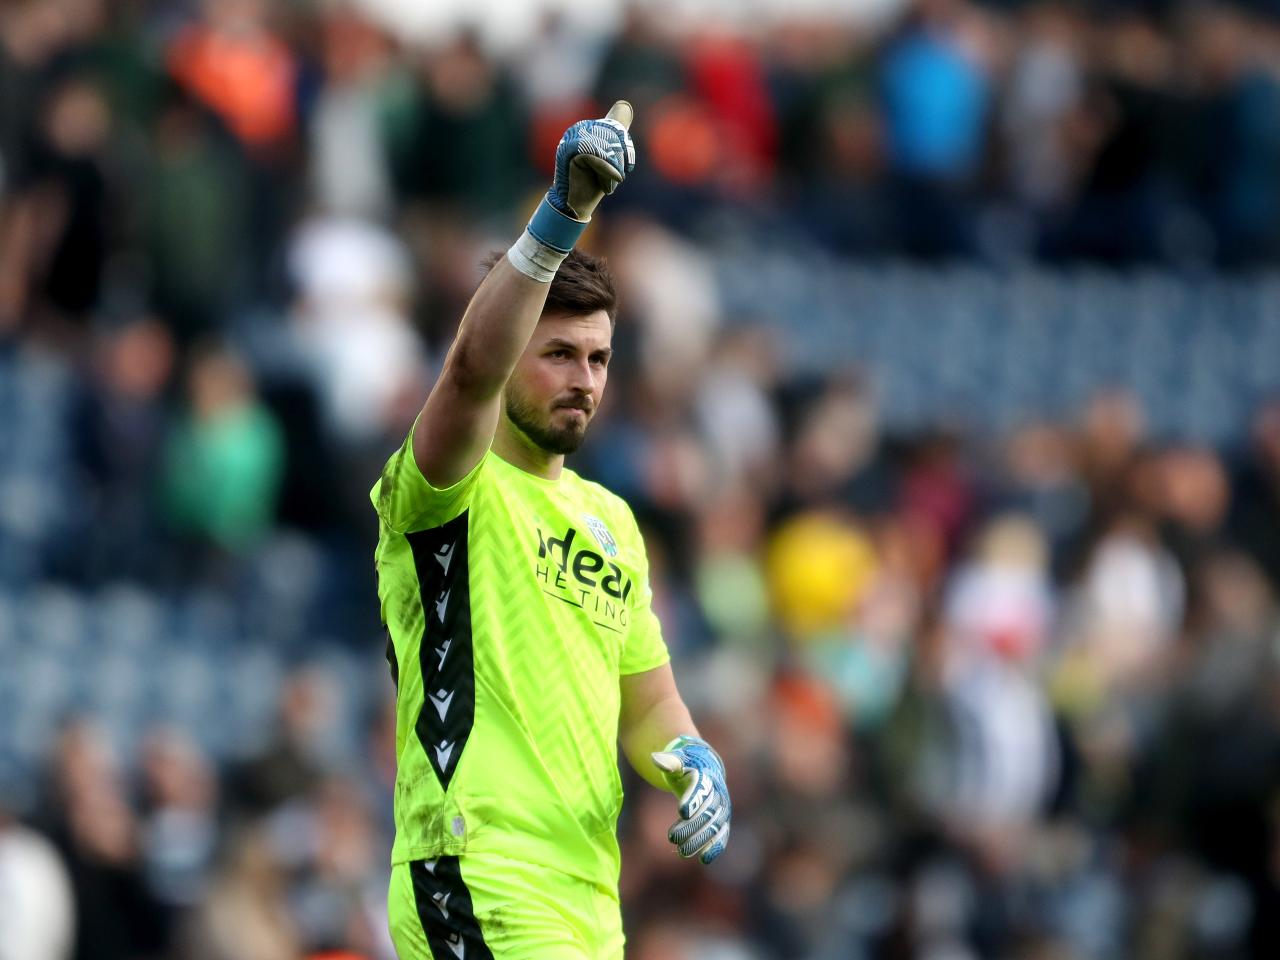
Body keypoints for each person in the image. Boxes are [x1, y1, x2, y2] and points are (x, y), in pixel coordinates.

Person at [370, 102, 731, 958]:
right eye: (558, 354)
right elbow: (467, 372)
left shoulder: (612, 521)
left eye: (599, 359)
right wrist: (560, 218)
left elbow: (646, 704)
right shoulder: (448, 486)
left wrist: (691, 759)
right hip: (476, 867)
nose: (585, 380)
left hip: (587, 897)